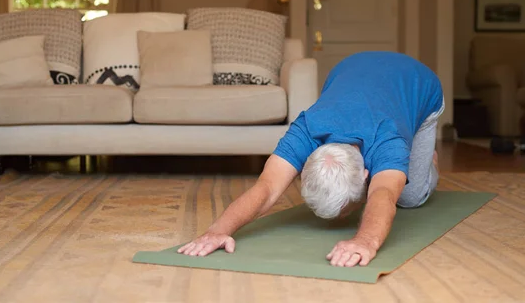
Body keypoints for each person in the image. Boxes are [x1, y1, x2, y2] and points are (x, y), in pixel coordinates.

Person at [177, 51, 444, 268]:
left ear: (366, 174)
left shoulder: (389, 140)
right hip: (351, 65)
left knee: (410, 196)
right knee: (395, 179)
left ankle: (426, 161)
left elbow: (383, 193)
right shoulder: (306, 129)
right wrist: (218, 230)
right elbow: (266, 188)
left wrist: (365, 241)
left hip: (419, 84)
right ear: (303, 167)